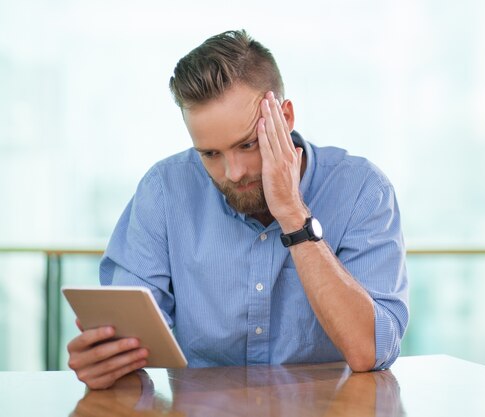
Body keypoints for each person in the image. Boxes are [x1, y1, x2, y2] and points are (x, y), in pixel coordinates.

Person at [67, 29, 409, 390]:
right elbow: (129, 347)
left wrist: (293, 214)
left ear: (286, 117)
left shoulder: (362, 191)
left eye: (247, 144)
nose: (233, 172)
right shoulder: (164, 192)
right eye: (210, 154)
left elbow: (369, 351)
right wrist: (105, 363)